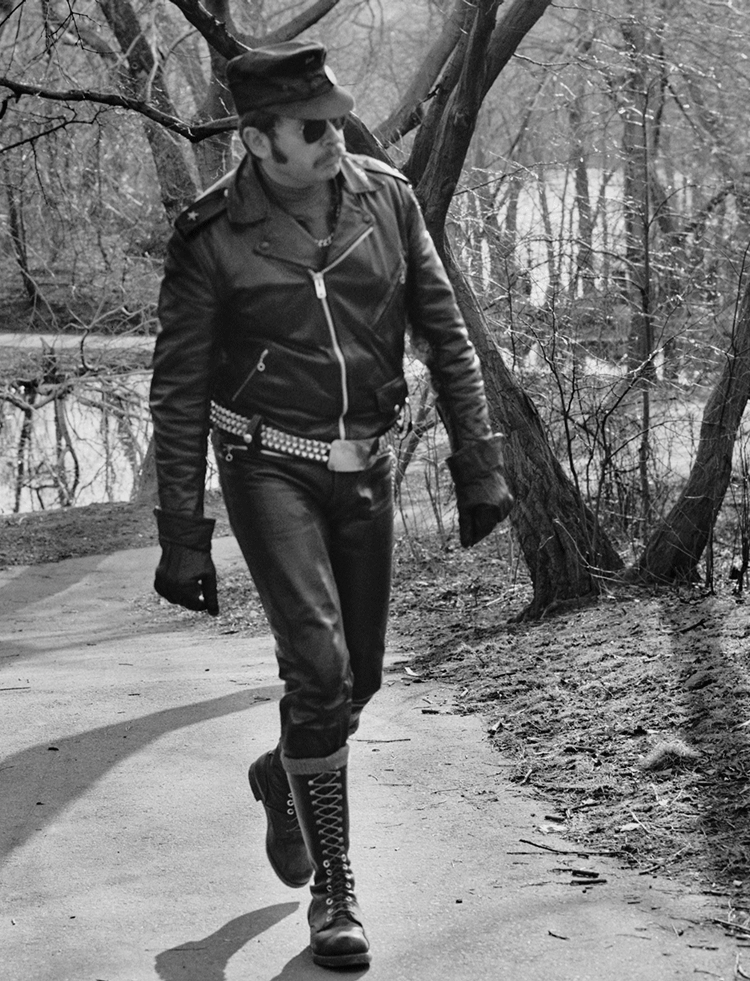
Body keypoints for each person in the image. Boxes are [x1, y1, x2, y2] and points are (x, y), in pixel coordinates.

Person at [149, 41, 513, 968]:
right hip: (267, 465)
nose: (336, 136)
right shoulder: (211, 237)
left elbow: (448, 335)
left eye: (340, 116)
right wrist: (184, 536)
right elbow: (178, 391)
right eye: (314, 127)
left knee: (360, 682)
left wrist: (481, 462)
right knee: (319, 670)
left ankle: (284, 772)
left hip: (367, 468)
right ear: (260, 137)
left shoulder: (388, 198)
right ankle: (335, 891)